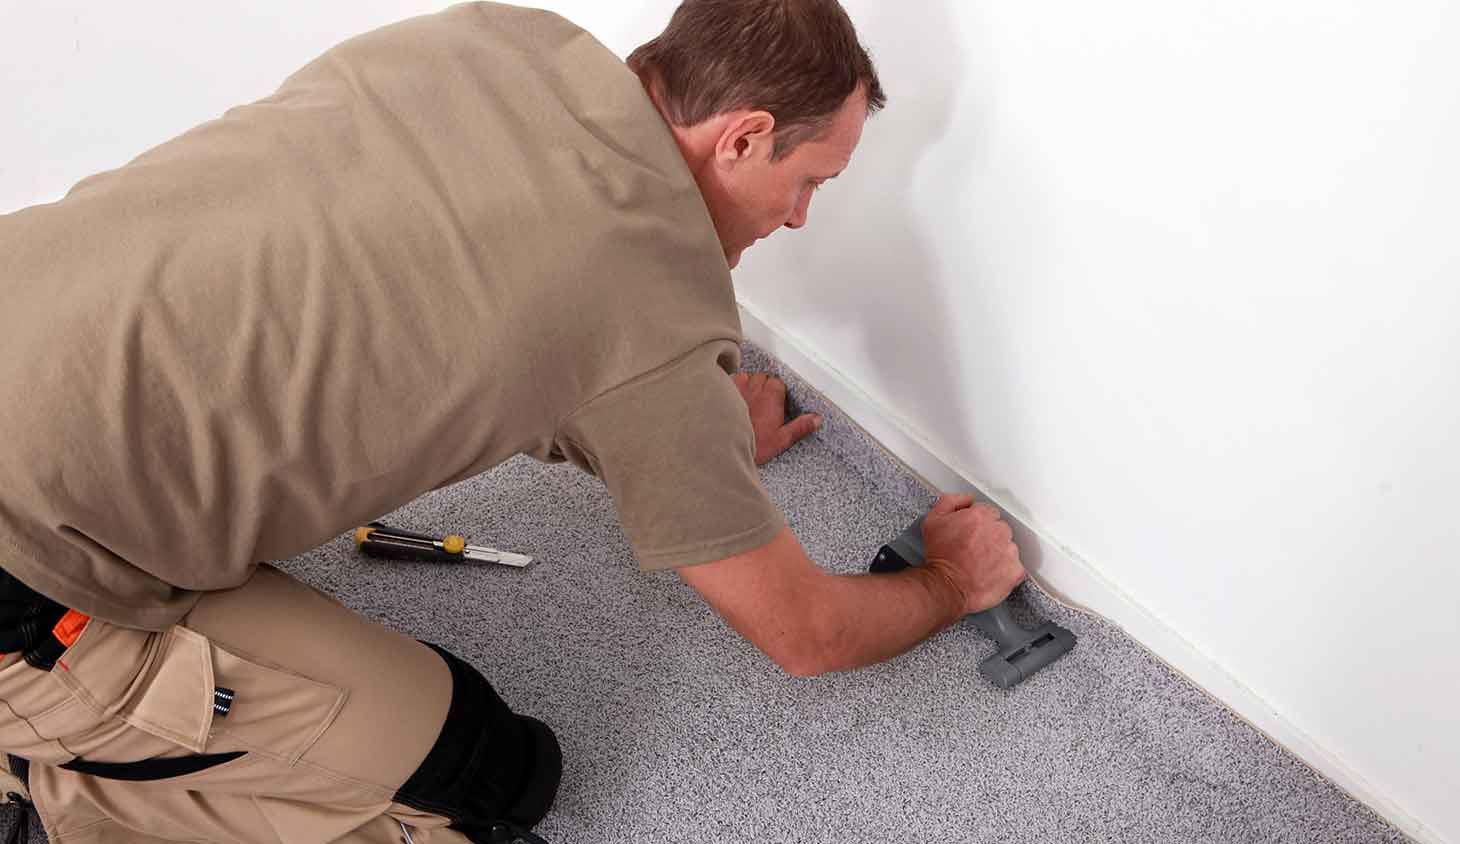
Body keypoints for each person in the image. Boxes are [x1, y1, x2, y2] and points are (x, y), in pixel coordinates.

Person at [0, 1, 1026, 841]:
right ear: (744, 135)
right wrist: (950, 580)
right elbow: (806, 635)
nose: (799, 217)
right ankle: (47, 783)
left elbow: (477, 315)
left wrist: (693, 449)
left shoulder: (502, 36)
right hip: (28, 588)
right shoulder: (650, 313)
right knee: (493, 776)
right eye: (809, 183)